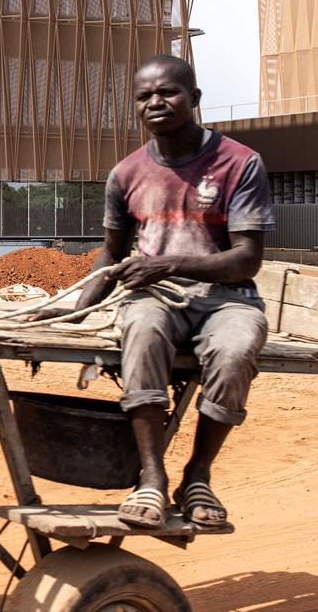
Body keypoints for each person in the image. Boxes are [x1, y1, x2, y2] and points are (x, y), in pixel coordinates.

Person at [32, 54, 274, 529]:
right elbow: (111, 254)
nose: (155, 103)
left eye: (167, 92)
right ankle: (151, 476)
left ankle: (198, 476)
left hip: (227, 298)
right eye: (144, 96)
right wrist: (72, 314)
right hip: (154, 299)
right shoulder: (126, 173)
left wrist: (171, 263)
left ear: (195, 98)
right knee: (141, 330)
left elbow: (248, 258)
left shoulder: (240, 162)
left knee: (236, 348)